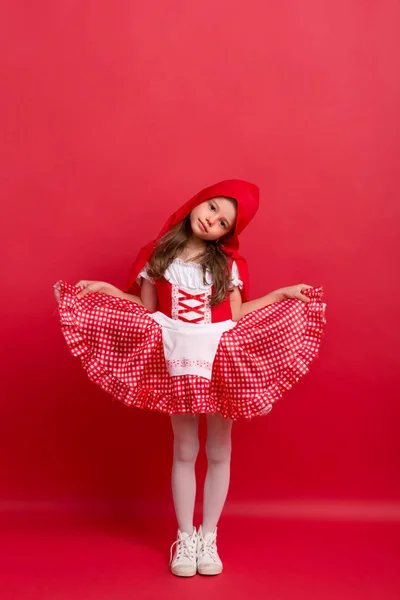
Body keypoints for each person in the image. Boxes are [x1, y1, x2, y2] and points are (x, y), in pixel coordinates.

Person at [53, 179, 326, 578]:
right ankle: (184, 537)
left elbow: (234, 315)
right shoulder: (158, 254)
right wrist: (110, 290)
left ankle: (208, 536)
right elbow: (146, 306)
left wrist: (279, 295)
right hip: (175, 351)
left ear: (227, 235)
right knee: (184, 448)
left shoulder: (227, 265)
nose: (212, 220)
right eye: (213, 208)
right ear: (198, 202)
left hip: (219, 354)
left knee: (218, 450)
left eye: (223, 224)